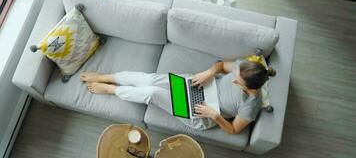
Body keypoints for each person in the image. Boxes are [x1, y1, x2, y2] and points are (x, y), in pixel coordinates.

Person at [80, 59, 276, 134]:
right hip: (200, 84)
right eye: (234, 76)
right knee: (151, 80)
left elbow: (233, 129)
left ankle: (112, 90)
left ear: (249, 87)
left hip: (203, 113)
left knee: (153, 93)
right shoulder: (245, 68)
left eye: (237, 81)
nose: (233, 79)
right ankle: (106, 77)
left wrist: (215, 116)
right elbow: (221, 65)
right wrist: (210, 72)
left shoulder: (251, 105)